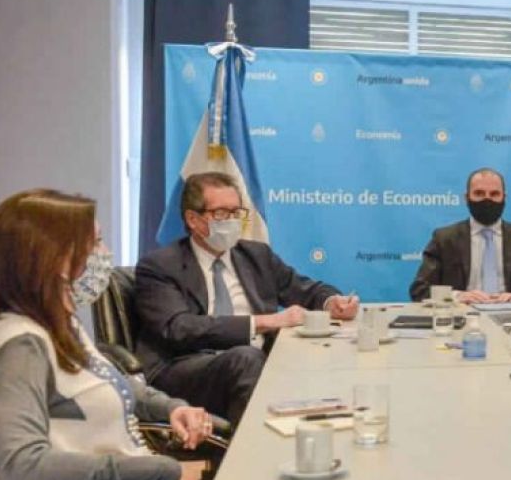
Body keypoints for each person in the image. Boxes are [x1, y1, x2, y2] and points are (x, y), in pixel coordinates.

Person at [0, 189, 212, 480]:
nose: (104, 255)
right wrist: (160, 473)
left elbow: (117, 388)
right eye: (95, 244)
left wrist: (173, 407)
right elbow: (20, 468)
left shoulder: (57, 323)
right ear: (51, 258)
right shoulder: (22, 346)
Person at [134, 172, 358, 426]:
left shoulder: (255, 256)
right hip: (187, 368)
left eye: (236, 213)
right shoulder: (160, 266)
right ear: (193, 219)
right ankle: (246, 461)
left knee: (316, 355)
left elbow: (305, 290)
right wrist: (262, 322)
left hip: (256, 364)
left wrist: (333, 303)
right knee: (246, 358)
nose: (231, 222)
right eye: (221, 214)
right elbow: (179, 328)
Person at [409, 167, 511, 304]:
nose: (487, 200)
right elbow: (420, 290)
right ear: (467, 198)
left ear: (504, 198)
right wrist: (456, 296)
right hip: (461, 317)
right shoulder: (444, 238)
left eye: (494, 194)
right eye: (479, 193)